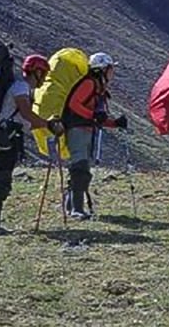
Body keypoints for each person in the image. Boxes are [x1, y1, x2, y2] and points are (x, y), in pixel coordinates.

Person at [0, 54, 62, 235]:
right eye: (44, 73)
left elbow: (27, 120)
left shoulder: (22, 87)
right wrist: (49, 124)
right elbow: (26, 114)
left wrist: (47, 124)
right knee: (0, 180)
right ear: (37, 71)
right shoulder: (21, 87)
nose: (44, 78)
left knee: (2, 178)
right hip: (5, 138)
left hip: (8, 137)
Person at [61, 52, 128, 220]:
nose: (112, 73)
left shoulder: (97, 87)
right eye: (110, 69)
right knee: (80, 168)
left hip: (85, 131)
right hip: (78, 131)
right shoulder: (89, 84)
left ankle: (71, 206)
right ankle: (76, 209)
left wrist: (114, 123)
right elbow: (74, 104)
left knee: (81, 167)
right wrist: (92, 116)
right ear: (102, 69)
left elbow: (98, 117)